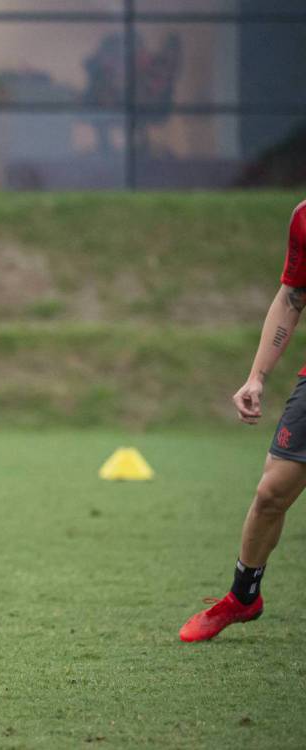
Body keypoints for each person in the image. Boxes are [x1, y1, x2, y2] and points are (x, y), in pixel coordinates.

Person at [180, 199, 306, 642]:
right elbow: (292, 295)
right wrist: (257, 376)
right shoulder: (304, 218)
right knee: (271, 493)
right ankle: (243, 596)